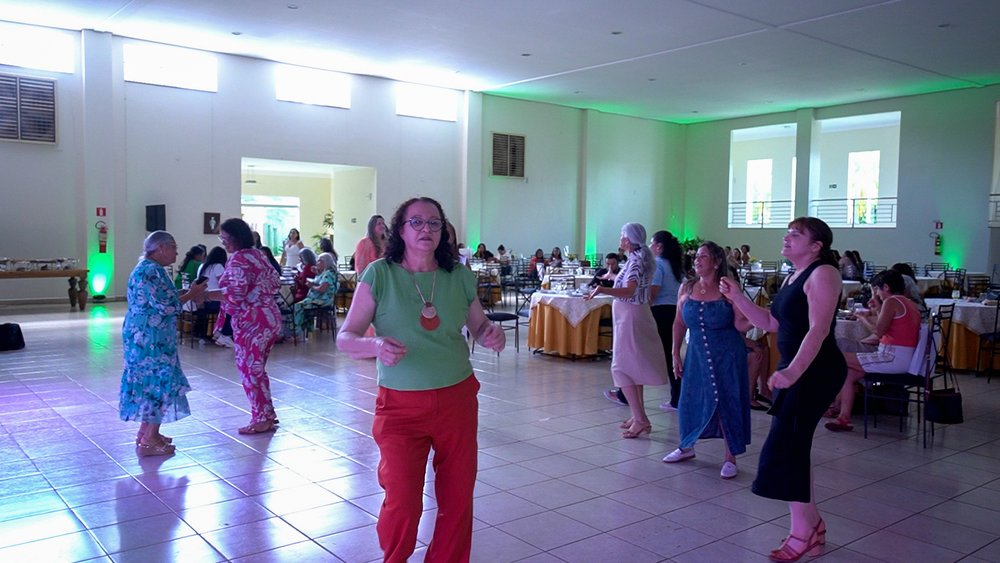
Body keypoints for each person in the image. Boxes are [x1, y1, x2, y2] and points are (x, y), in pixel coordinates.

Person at [337, 197, 504, 562]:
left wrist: (490, 333)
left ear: (443, 230)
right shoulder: (379, 274)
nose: (426, 229)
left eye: (433, 223)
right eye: (416, 222)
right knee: (402, 501)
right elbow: (345, 337)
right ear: (400, 229)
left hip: (457, 399)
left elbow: (478, 325)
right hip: (400, 406)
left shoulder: (458, 276)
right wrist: (375, 345)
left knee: (457, 497)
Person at [720, 217, 846, 562]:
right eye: (787, 233)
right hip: (795, 370)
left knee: (787, 448)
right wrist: (737, 297)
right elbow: (771, 322)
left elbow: (819, 330)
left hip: (814, 370)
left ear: (816, 246)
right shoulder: (794, 275)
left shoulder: (823, 273)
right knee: (792, 447)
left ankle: (804, 532)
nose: (787, 238)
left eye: (795, 234)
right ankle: (812, 527)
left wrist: (793, 371)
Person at [663, 242, 751, 480]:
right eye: (697, 257)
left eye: (703, 256)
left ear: (716, 262)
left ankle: (730, 457)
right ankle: (686, 446)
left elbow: (741, 324)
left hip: (727, 355)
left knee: (727, 400)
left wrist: (755, 314)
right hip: (697, 355)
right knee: (690, 398)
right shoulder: (687, 287)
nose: (697, 260)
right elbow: (679, 322)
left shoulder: (727, 288)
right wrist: (675, 353)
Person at [119, 231, 206, 456]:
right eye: (173, 247)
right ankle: (150, 437)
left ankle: (146, 432)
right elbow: (166, 306)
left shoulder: (150, 268)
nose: (177, 252)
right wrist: (193, 293)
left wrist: (186, 292)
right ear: (161, 248)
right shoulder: (150, 271)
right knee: (159, 382)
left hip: (148, 334)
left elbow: (163, 297)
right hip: (150, 338)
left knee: (151, 381)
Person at [586, 223, 667, 439]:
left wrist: (603, 289)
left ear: (629, 240)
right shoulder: (637, 258)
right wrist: (611, 278)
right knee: (633, 367)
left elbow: (630, 290)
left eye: (622, 236)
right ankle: (639, 416)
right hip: (632, 315)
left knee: (622, 367)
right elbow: (632, 283)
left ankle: (640, 419)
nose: (620, 239)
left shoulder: (637, 261)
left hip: (631, 317)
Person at [206, 218, 283, 434]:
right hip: (269, 317)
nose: (223, 242)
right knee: (256, 369)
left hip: (252, 321)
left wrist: (207, 295)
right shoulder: (258, 255)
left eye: (225, 238)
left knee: (250, 371)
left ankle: (261, 418)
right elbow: (275, 282)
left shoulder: (239, 259)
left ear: (237, 238)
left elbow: (236, 294)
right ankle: (266, 414)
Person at [825, 269, 921, 432]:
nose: (877, 293)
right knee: (849, 373)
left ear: (886, 287)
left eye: (877, 289)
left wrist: (862, 318)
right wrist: (875, 305)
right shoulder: (908, 303)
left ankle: (831, 404)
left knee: (833, 356)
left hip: (892, 357)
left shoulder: (892, 301)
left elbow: (879, 331)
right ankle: (843, 417)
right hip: (901, 357)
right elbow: (886, 323)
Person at [651, 231, 684, 411]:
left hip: (661, 310)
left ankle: (678, 397)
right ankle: (678, 396)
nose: (650, 247)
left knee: (667, 354)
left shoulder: (658, 264)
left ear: (659, 246)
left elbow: (653, 292)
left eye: (652, 243)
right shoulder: (675, 264)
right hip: (675, 310)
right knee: (672, 353)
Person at [293, 252, 339, 337]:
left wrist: (311, 286)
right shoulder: (325, 272)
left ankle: (297, 334)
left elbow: (322, 289)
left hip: (322, 300)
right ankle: (309, 332)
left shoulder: (328, 274)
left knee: (297, 306)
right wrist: (317, 273)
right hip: (318, 298)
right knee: (303, 305)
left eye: (319, 261)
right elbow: (320, 282)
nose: (317, 263)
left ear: (325, 262)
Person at [195, 246, 233, 346]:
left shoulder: (202, 266)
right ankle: (225, 334)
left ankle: (219, 332)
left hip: (202, 300)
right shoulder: (218, 267)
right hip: (213, 300)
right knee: (232, 308)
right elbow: (224, 283)